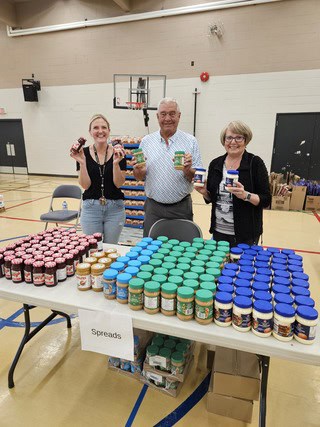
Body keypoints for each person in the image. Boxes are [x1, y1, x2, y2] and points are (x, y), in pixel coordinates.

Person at [133, 97, 203, 237]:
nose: (168, 118)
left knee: (182, 251)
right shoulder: (146, 142)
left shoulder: (190, 141)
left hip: (181, 207)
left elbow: (197, 179)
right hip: (154, 208)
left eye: (172, 114)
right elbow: (139, 177)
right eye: (163, 114)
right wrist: (138, 171)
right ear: (157, 116)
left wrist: (187, 170)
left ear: (179, 116)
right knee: (152, 251)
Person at [195, 120, 271, 246]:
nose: (233, 142)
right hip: (219, 232)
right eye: (229, 138)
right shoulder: (216, 164)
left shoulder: (255, 163)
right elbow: (212, 198)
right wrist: (205, 193)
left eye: (238, 138)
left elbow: (266, 199)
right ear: (224, 141)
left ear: (246, 140)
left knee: (240, 265)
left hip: (246, 234)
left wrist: (246, 195)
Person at [70, 114, 126, 244]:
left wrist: (116, 163)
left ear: (109, 131)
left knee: (111, 248)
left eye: (104, 127)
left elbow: (119, 183)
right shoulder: (82, 153)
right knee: (94, 248)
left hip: (115, 209)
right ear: (90, 132)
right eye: (96, 128)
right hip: (91, 208)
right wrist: (82, 163)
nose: (100, 131)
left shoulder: (119, 152)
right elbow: (85, 185)